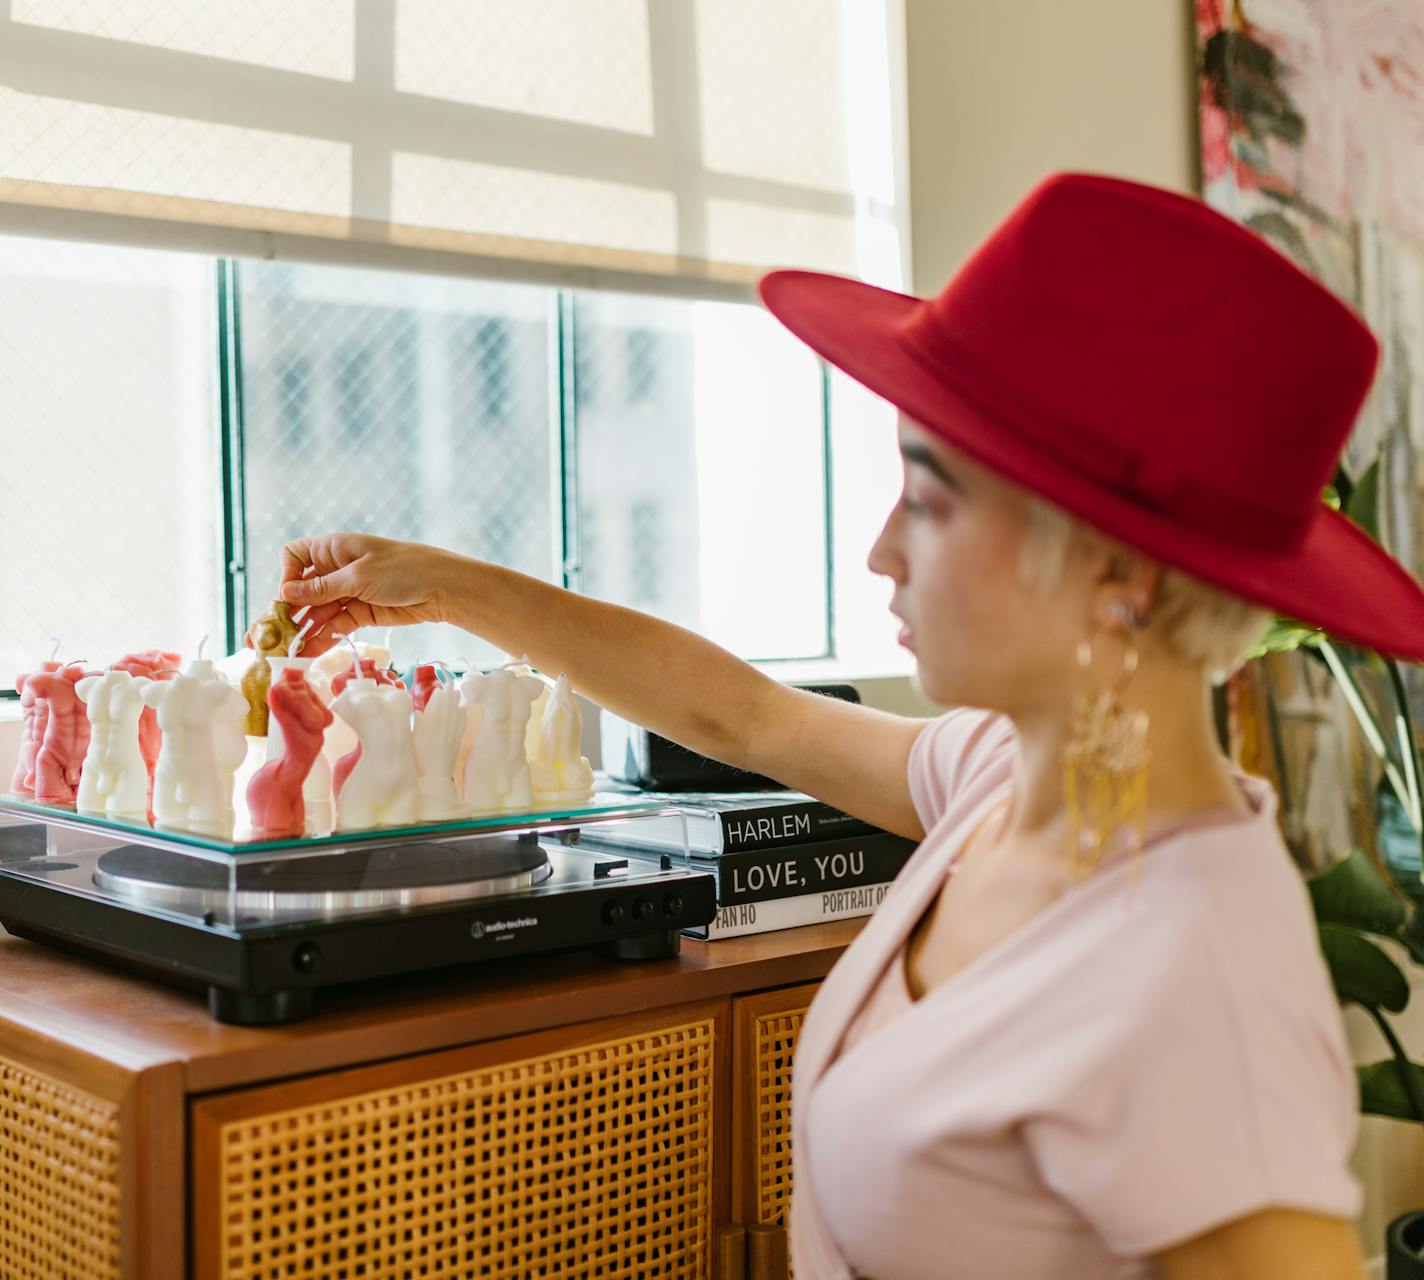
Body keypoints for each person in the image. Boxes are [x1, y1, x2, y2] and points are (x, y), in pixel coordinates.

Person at [270, 173, 1424, 1278]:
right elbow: (745, 712)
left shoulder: (1194, 974)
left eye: (927, 496)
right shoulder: (1002, 776)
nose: (880, 550)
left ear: (1110, 568)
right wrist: (444, 585)